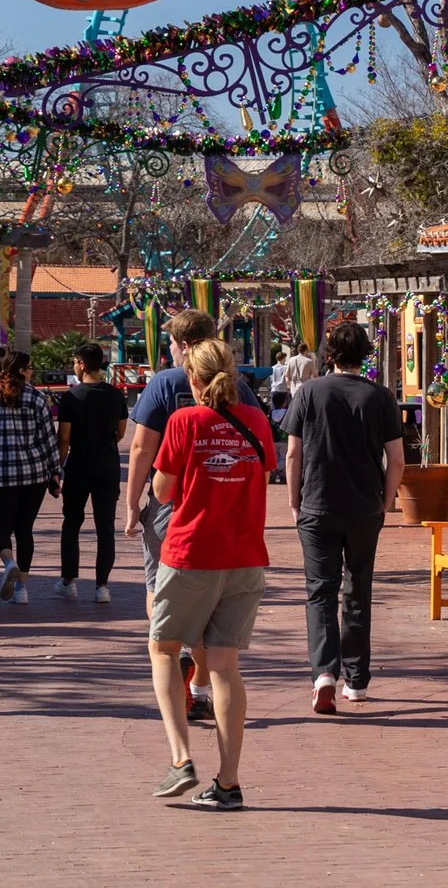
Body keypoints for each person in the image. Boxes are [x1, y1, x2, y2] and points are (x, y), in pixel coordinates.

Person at [147, 338, 274, 811]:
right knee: (224, 666)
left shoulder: (184, 422)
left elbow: (163, 492)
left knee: (162, 648)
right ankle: (229, 781)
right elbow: (259, 481)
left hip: (191, 553)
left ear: (193, 380)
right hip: (245, 556)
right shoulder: (258, 420)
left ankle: (180, 758)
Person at [122, 311, 260, 723]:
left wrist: (132, 503)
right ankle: (199, 681)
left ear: (182, 346)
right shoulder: (240, 388)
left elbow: (141, 448)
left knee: (158, 582)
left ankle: (176, 647)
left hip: (171, 503)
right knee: (214, 599)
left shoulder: (164, 383)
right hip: (224, 503)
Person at [283, 316, 405, 713]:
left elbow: (293, 453)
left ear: (330, 354)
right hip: (364, 506)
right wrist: (385, 501)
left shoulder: (309, 393)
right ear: (364, 355)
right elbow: (397, 461)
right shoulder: (382, 398)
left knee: (320, 590)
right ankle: (357, 680)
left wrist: (294, 500)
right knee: (358, 589)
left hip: (317, 503)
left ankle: (324, 673)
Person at [0, 351, 60, 605]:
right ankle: (22, 588)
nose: (32, 371)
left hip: (2, 474)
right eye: (30, 367)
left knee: (0, 528)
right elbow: (48, 440)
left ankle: (8, 561)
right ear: (22, 371)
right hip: (34, 474)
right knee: (25, 529)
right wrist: (55, 474)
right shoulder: (36, 398)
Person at [55, 343, 127, 603]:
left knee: (72, 523)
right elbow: (120, 431)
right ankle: (102, 587)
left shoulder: (71, 397)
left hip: (79, 465)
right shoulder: (116, 395)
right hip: (107, 465)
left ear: (82, 364)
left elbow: (64, 438)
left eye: (75, 361)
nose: (74, 366)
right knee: (105, 526)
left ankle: (69, 581)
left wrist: (57, 469)